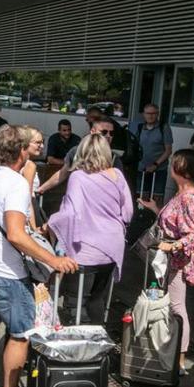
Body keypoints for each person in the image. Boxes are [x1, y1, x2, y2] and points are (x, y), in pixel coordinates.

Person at [0, 125, 78, 387]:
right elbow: (16, 234)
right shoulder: (15, 184)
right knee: (20, 335)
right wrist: (53, 260)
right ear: (21, 153)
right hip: (8, 275)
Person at [45, 133, 133, 324]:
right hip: (113, 246)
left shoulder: (78, 177)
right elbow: (128, 212)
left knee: (77, 300)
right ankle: (97, 338)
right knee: (97, 298)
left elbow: (70, 213)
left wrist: (51, 222)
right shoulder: (117, 175)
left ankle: (77, 342)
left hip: (86, 248)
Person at [137, 149, 194, 373]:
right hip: (168, 260)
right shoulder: (183, 192)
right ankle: (170, 352)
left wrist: (172, 245)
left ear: (180, 168)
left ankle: (179, 359)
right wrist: (156, 209)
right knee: (168, 305)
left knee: (176, 307)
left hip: (176, 261)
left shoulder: (190, 196)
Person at [133, 103, 174, 198]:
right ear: (144, 114)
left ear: (157, 114)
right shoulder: (140, 128)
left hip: (159, 170)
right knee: (141, 198)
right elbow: (135, 147)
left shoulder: (164, 127)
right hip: (142, 169)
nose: (150, 116)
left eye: (153, 113)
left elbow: (168, 150)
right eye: (148, 113)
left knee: (157, 198)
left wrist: (155, 165)